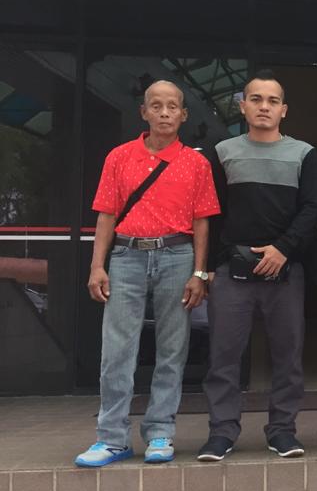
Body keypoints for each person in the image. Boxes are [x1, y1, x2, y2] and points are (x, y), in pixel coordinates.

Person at [77, 80, 219, 467]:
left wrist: (200, 272)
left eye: (172, 107)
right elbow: (106, 215)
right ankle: (111, 437)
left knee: (172, 348)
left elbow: (202, 222)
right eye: (156, 106)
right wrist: (97, 266)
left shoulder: (197, 163)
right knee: (117, 350)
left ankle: (160, 431)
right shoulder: (119, 157)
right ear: (143, 112)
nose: (164, 113)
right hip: (126, 255)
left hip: (177, 255)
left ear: (184, 114)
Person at [197, 70, 317, 462]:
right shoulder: (223, 152)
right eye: (256, 99)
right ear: (242, 106)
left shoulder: (304, 153)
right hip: (231, 272)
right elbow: (212, 212)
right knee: (224, 356)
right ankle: (222, 432)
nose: (264, 107)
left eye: (272, 101)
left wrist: (283, 249)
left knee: (288, 356)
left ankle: (282, 430)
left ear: (284, 110)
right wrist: (209, 266)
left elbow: (312, 209)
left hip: (285, 272)